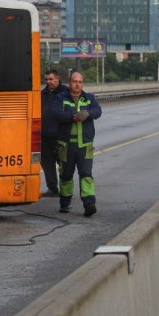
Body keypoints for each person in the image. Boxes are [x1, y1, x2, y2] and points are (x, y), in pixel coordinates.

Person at [52, 71, 102, 217]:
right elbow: (56, 114)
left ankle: (89, 204)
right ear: (69, 82)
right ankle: (65, 203)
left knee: (86, 174)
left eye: (80, 82)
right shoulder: (61, 98)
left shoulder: (89, 98)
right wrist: (73, 117)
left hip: (85, 145)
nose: (77, 84)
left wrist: (87, 114)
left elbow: (98, 111)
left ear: (82, 83)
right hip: (66, 146)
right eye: (74, 81)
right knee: (66, 175)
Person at [41, 69, 69, 197]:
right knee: (47, 164)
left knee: (63, 164)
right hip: (45, 137)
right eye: (46, 79)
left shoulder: (65, 92)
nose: (48, 82)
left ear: (57, 79)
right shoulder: (43, 93)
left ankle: (65, 189)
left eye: (51, 79)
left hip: (60, 136)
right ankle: (52, 189)